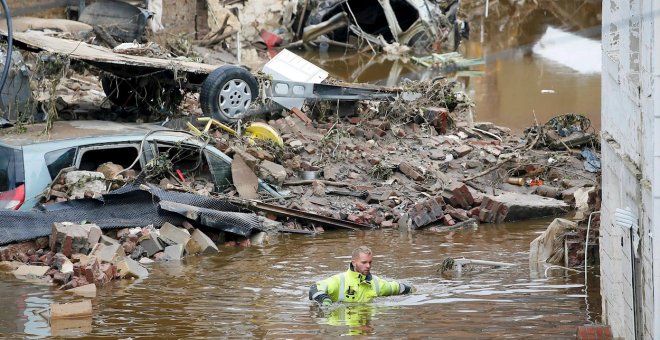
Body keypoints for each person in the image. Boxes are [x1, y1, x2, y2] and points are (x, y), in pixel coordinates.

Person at [309, 246, 414, 305]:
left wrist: (413, 289)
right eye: (364, 263)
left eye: (370, 262)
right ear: (354, 263)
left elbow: (398, 287)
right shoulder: (339, 280)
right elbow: (314, 288)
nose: (368, 266)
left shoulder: (377, 283)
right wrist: (325, 300)